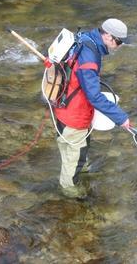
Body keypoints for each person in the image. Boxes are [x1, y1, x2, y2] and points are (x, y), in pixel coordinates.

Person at [44, 18, 131, 199]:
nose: (119, 46)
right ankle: (69, 192)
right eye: (119, 41)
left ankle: (80, 172)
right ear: (107, 36)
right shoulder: (90, 58)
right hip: (75, 116)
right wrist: (121, 118)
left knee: (71, 150)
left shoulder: (84, 38)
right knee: (74, 158)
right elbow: (94, 96)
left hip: (61, 107)